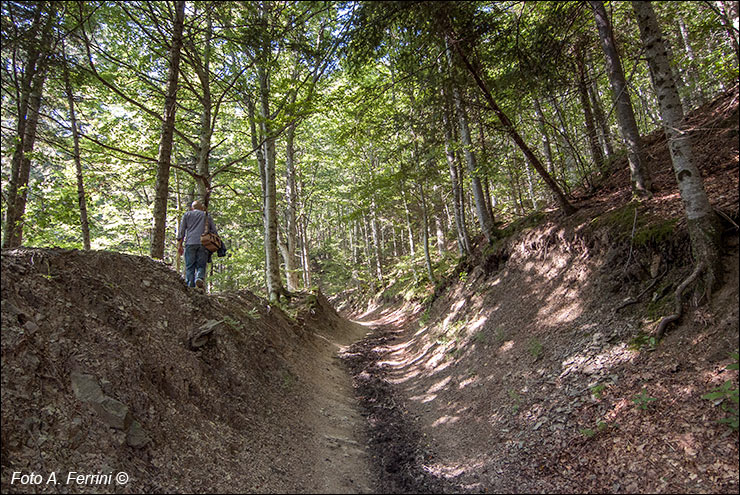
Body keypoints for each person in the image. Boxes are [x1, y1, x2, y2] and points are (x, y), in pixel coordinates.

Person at [176, 200, 218, 290]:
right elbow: (214, 231)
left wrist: (180, 245)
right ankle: (199, 278)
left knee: (190, 266)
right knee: (201, 265)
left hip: (190, 243)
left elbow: (182, 231)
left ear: (192, 208)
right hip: (203, 243)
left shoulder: (187, 215)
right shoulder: (206, 215)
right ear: (201, 208)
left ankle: (190, 286)